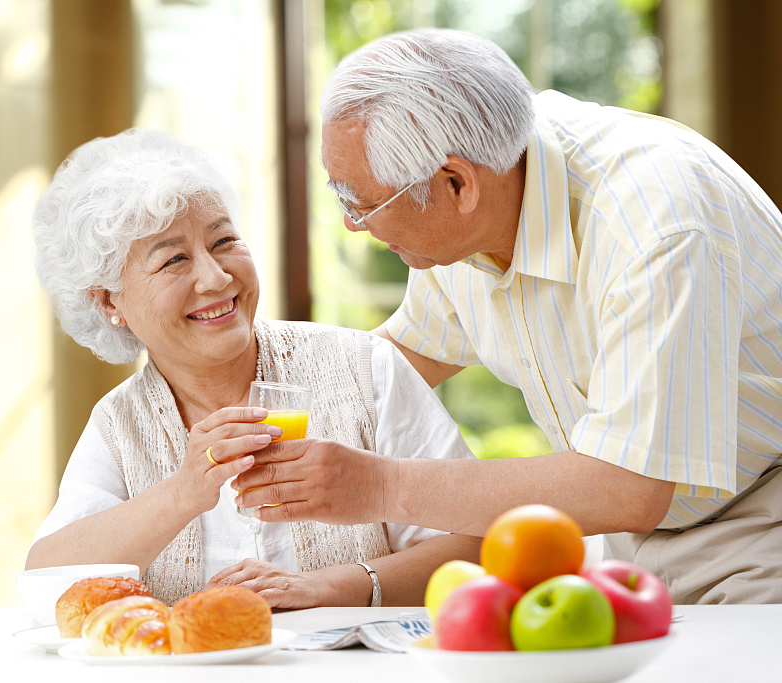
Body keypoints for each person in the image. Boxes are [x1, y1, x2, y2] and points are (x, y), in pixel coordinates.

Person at [234, 28, 782, 604]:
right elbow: (398, 361)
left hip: (758, 521)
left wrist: (380, 484)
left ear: (456, 184)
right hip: (626, 545)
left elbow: (630, 485)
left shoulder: (655, 225)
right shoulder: (474, 196)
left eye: (362, 202)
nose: (352, 224)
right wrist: (228, 399)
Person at [25, 128, 481, 608]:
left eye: (224, 241)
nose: (216, 276)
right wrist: (181, 494)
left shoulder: (365, 368)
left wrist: (337, 586)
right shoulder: (120, 425)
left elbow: (476, 543)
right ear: (108, 302)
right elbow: (45, 586)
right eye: (174, 260)